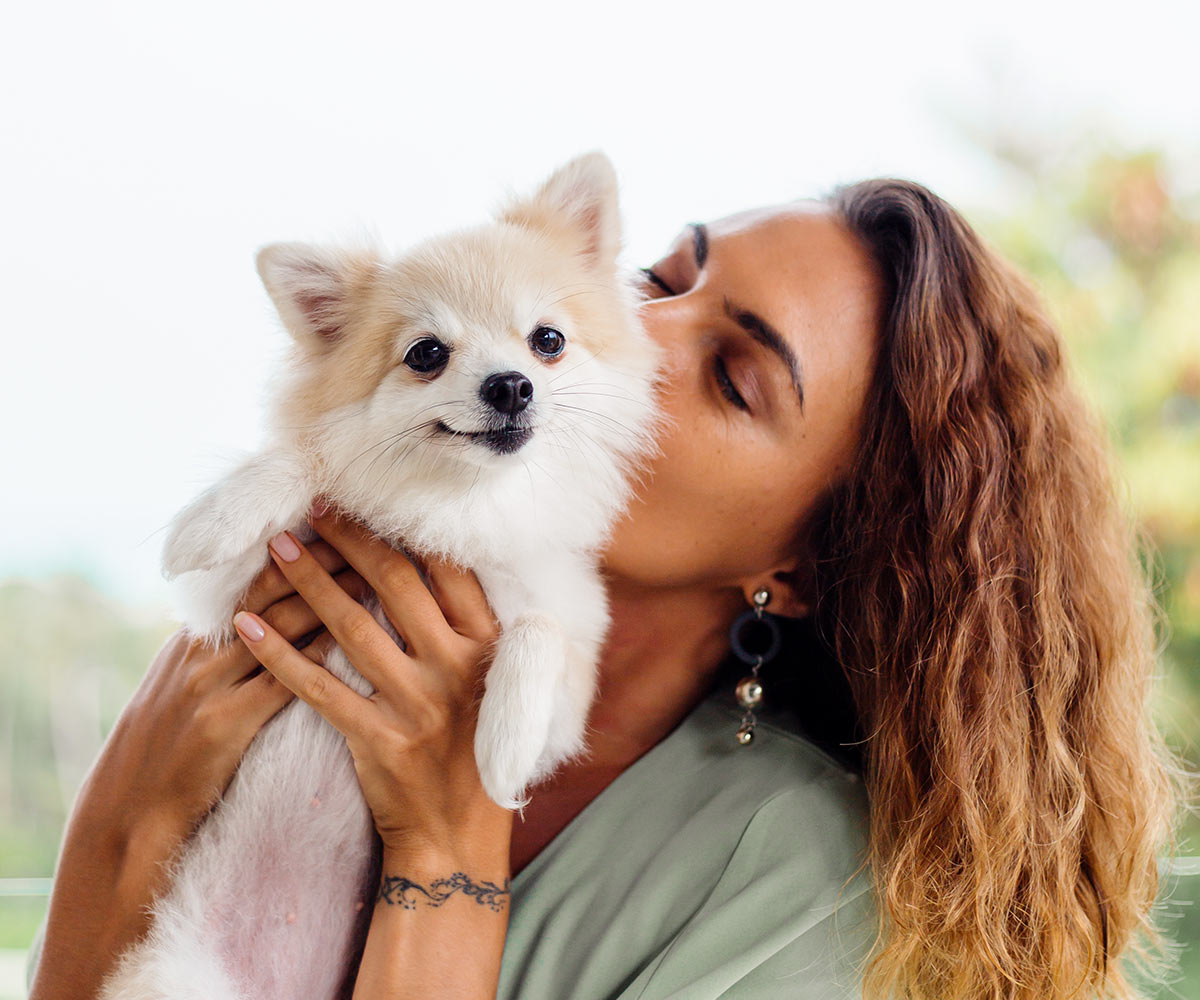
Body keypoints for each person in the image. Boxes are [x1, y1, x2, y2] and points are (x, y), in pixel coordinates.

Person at [27, 180, 1189, 1000]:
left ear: (799, 564)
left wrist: (445, 851)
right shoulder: (314, 588)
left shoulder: (800, 886)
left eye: (734, 377)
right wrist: (119, 833)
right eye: (659, 277)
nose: (626, 330)